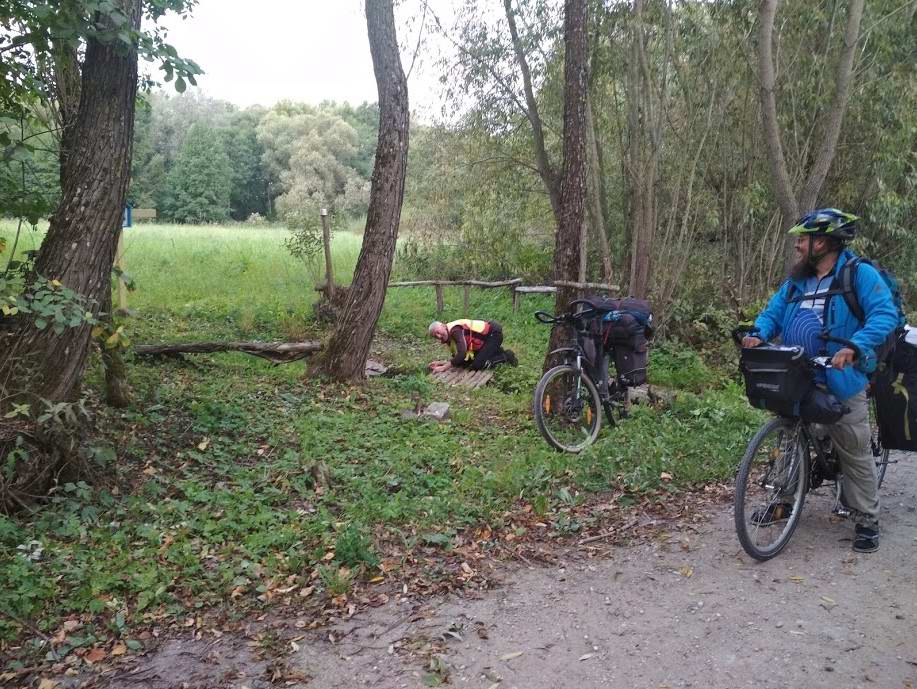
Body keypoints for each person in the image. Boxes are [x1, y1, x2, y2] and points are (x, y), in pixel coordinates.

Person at [742, 208, 898, 553]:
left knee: (852, 446)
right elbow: (773, 312)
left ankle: (866, 519)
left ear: (823, 242)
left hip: (842, 375)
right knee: (788, 433)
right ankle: (785, 497)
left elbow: (884, 314)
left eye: (803, 238)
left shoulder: (859, 275)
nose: (798, 245)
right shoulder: (797, 280)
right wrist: (758, 333)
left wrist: (856, 346)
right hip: (798, 370)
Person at [428, 319, 517, 373]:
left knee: (477, 365)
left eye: (438, 332)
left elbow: (462, 353)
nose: (439, 336)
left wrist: (444, 368)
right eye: (435, 336)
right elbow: (459, 359)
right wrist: (441, 363)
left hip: (493, 335)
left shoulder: (455, 330)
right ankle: (495, 351)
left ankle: (507, 356)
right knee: (466, 363)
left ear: (443, 325)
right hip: (483, 341)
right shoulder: (448, 337)